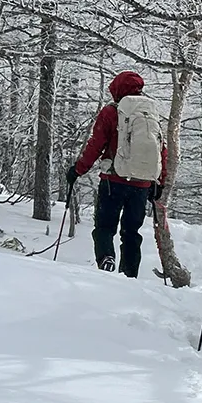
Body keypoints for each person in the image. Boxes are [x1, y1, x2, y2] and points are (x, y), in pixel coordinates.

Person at [68, 71, 169, 277]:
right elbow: (161, 149)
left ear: (116, 89)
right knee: (131, 233)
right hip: (142, 184)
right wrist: (160, 181)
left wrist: (78, 170)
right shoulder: (151, 112)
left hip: (112, 180)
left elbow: (95, 145)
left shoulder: (111, 112)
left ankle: (106, 259)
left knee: (105, 227)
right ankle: (129, 275)